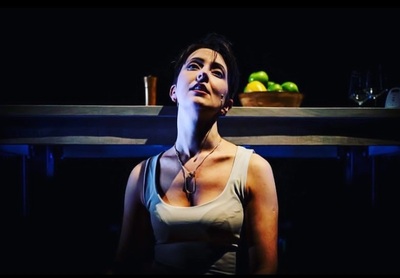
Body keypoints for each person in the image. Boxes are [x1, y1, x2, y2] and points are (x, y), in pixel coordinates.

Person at [111, 33, 279, 275]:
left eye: (217, 72)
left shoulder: (254, 169)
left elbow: (265, 268)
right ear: (173, 92)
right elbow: (125, 266)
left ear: (227, 104)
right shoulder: (142, 175)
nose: (203, 75)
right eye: (194, 66)